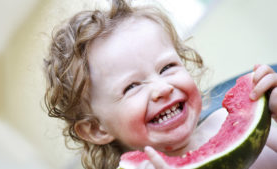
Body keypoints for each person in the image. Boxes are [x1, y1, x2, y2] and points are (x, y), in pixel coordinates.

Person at [43, 0, 277, 168]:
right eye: (132, 86)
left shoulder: (226, 123)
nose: (162, 88)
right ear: (96, 129)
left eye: (167, 68)